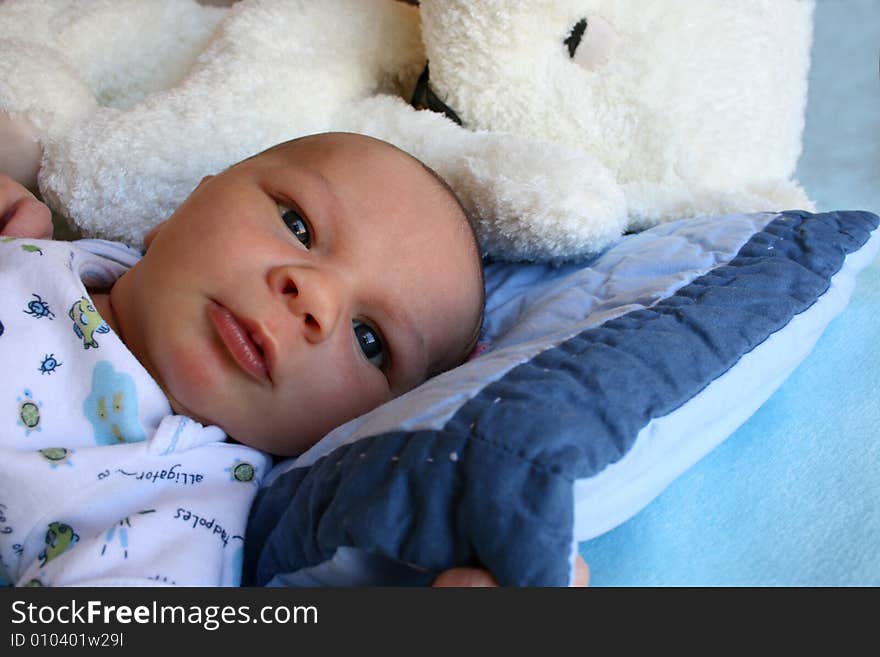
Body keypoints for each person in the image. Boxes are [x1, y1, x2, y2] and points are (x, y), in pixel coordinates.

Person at [0, 132, 587, 587]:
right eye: (297, 225)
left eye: (369, 340)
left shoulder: (175, 508)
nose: (316, 299)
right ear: (186, 203)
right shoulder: (47, 245)